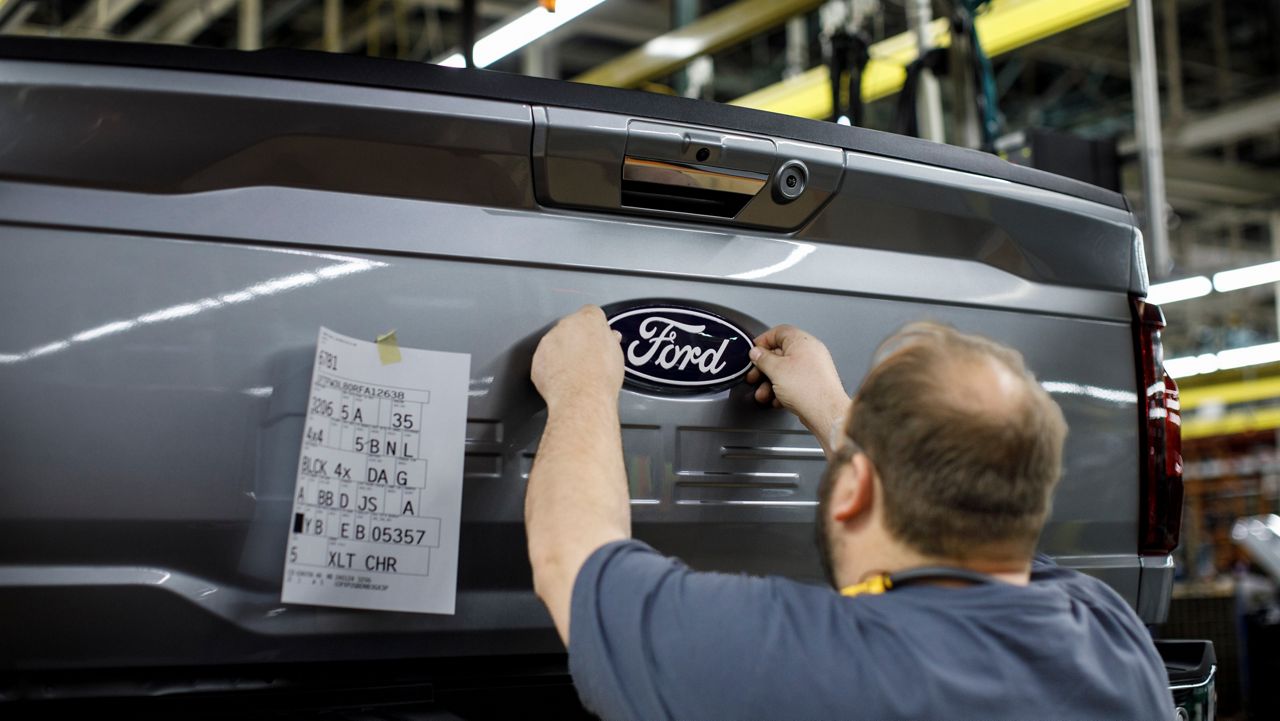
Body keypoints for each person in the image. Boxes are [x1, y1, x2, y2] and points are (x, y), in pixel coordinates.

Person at [525, 305, 1173, 720]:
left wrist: (581, 384)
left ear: (856, 487)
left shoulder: (815, 663)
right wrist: (835, 411)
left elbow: (572, 562)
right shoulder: (1112, 635)